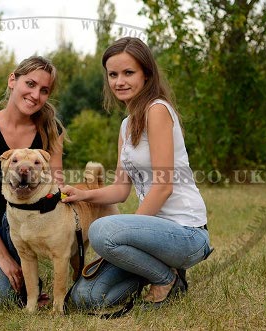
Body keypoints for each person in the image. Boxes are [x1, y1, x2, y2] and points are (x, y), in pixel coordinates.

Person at [61, 37, 212, 310]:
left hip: (186, 234)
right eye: (113, 74)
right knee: (86, 298)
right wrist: (83, 194)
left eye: (128, 73)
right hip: (150, 236)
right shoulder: (126, 125)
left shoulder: (158, 110)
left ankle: (167, 278)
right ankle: (151, 271)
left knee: (102, 230)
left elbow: (164, 186)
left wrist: (126, 230)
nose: (120, 81)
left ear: (147, 74)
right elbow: (120, 189)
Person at [0, 56, 65, 307]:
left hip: (27, 223)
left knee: (14, 292)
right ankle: (7, 262)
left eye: (44, 90)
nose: (35, 94)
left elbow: (56, 188)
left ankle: (28, 274)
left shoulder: (51, 131)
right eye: (30, 84)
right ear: (12, 81)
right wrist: (2, 255)